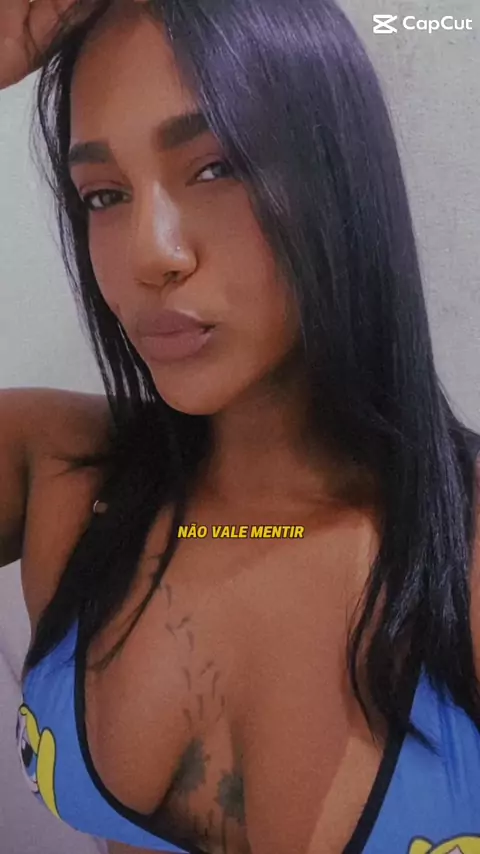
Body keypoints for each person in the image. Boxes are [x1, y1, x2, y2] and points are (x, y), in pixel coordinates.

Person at [1, 0, 480, 852]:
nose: (149, 253)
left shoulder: (461, 554)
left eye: (217, 167)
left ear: (340, 175)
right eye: (104, 195)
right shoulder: (61, 473)